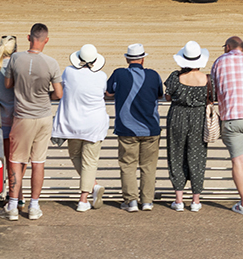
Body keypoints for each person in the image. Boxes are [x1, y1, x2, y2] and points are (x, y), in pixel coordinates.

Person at [2, 23, 62, 221]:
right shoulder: (51, 63)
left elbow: (8, 84)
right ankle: (34, 206)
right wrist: (46, 95)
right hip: (44, 116)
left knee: (16, 160)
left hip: (23, 116)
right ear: (46, 40)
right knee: (38, 162)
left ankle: (12, 205)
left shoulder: (16, 59)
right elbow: (58, 94)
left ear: (29, 37)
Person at [209, 37, 243, 215]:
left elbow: (215, 90)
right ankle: (242, 164)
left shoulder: (219, 61)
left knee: (237, 161)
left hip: (233, 117)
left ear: (227, 47)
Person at [106, 44, 162, 212]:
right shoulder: (153, 75)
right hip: (150, 128)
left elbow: (108, 93)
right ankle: (147, 201)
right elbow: (160, 94)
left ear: (127, 59)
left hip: (127, 128)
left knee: (128, 165)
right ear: (143, 59)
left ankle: (131, 201)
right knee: (148, 167)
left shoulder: (119, 74)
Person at [52, 44, 108, 212]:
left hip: (73, 123)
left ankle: (86, 195)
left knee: (75, 155)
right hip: (94, 124)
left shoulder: (69, 72)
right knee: (90, 162)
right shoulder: (102, 76)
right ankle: (88, 192)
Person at [164, 41, 209, 212]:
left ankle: (179, 199)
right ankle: (196, 200)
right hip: (199, 116)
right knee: (197, 156)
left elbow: (168, 97)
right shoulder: (207, 79)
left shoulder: (175, 77)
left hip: (177, 115)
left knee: (176, 154)